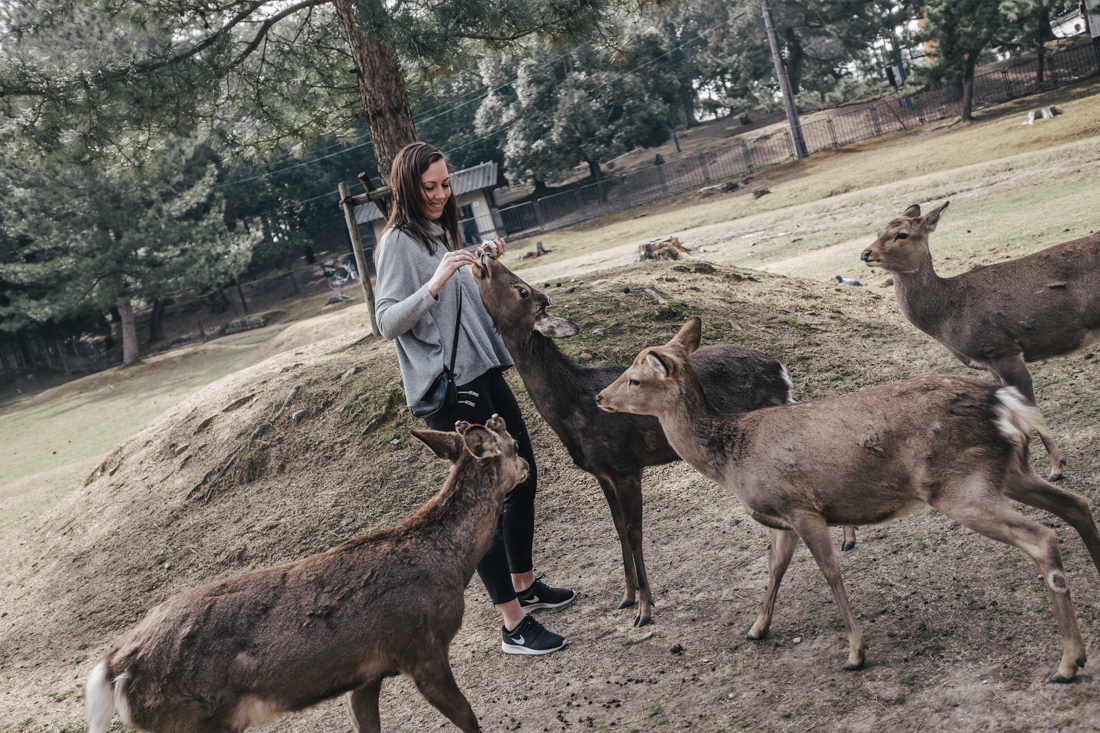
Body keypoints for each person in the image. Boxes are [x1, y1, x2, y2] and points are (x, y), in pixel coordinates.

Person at [374, 142, 575, 655]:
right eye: (430, 187)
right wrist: (437, 280)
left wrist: (481, 264)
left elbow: (466, 307)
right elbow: (387, 322)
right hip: (449, 389)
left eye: (446, 184)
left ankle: (525, 587)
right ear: (407, 188)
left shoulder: (439, 229)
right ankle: (512, 625)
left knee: (522, 474)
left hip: (482, 372)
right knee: (483, 503)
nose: (441, 194)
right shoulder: (397, 242)